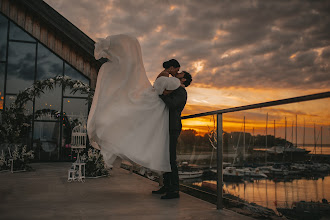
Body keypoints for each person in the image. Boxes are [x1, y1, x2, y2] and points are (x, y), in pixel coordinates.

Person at [87, 34, 182, 173]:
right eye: (177, 70)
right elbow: (161, 90)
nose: (177, 73)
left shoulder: (162, 74)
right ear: (172, 67)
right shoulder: (165, 75)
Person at [152, 71, 192, 199]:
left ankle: (174, 190)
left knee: (171, 159)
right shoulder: (174, 90)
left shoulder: (181, 92)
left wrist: (162, 95)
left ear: (184, 79)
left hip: (172, 127)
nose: (178, 73)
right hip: (166, 127)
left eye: (181, 73)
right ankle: (167, 186)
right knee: (165, 157)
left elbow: (172, 104)